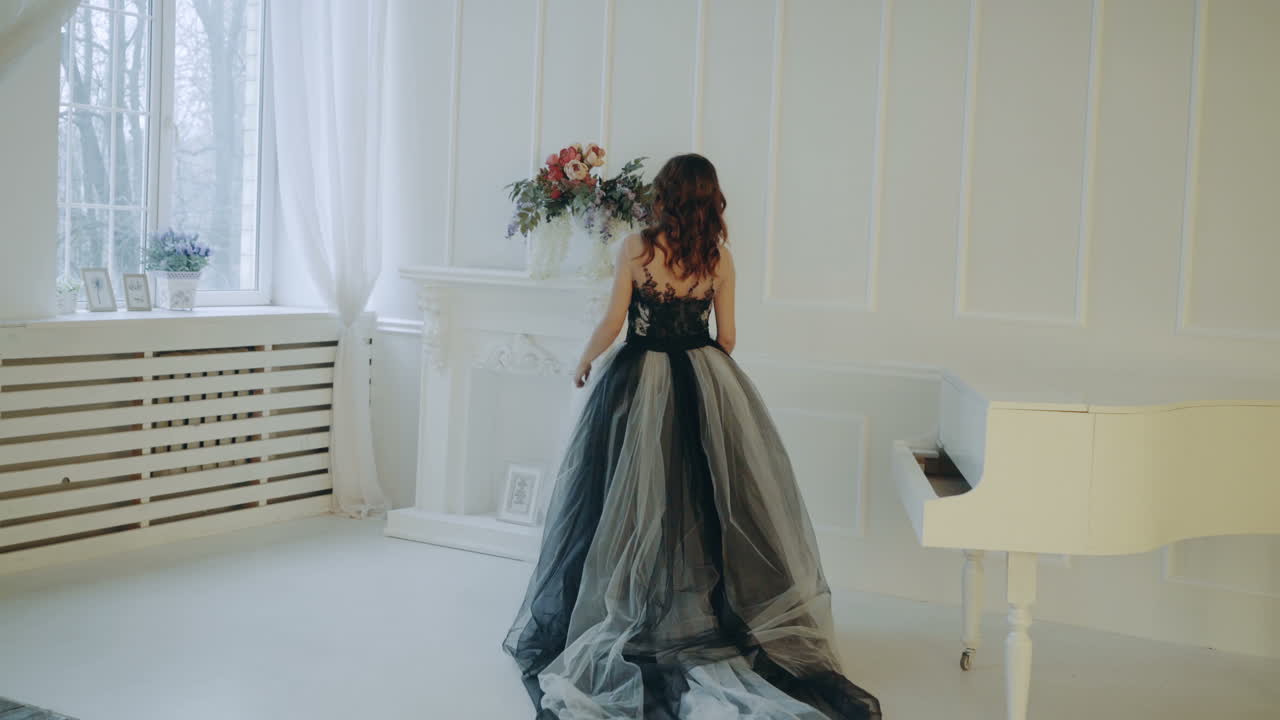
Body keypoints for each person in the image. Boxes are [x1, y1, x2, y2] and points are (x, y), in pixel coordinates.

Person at [502, 153, 882, 719]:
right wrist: (696, 352)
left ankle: (629, 611)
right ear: (711, 200)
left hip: (638, 378)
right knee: (700, 505)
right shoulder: (719, 258)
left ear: (664, 195)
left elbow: (613, 321)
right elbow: (727, 338)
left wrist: (586, 360)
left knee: (627, 503)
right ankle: (697, 617)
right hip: (704, 381)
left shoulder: (636, 248)